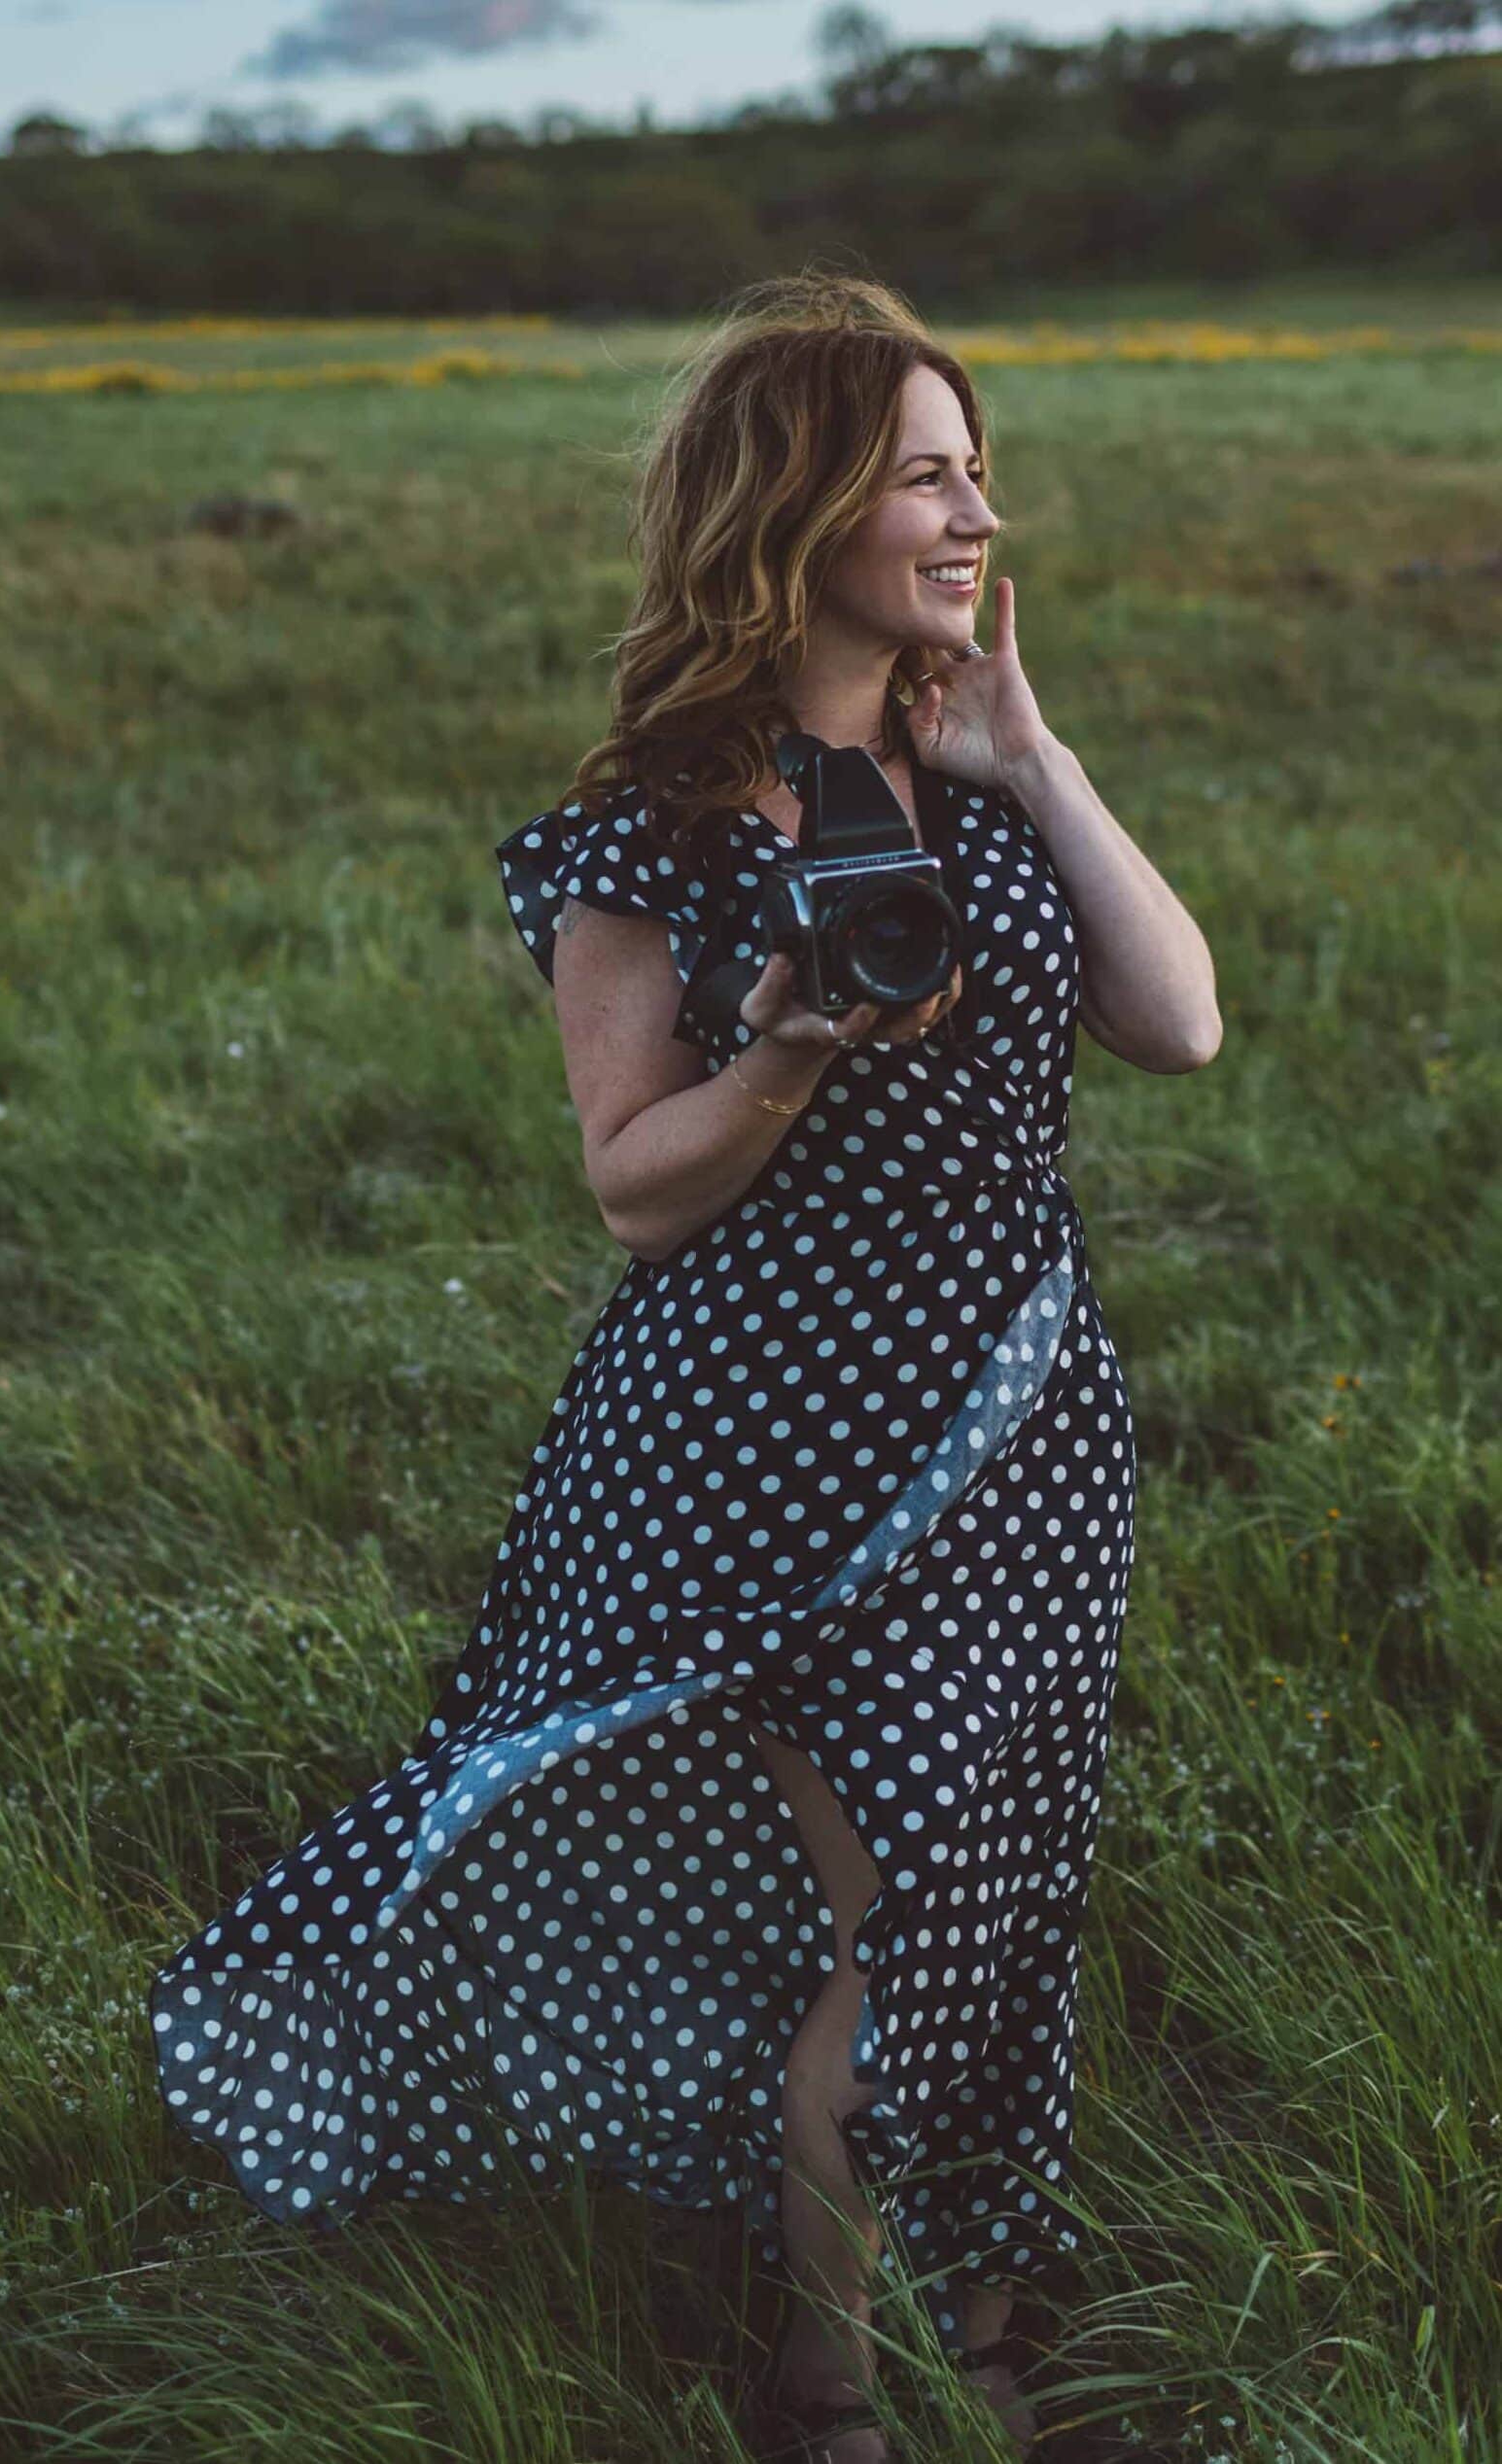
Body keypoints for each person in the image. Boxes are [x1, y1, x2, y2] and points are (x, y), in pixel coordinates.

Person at [148, 269, 1221, 2464]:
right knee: (890, 1908)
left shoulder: (974, 767)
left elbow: (1177, 1021)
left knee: (998, 1886)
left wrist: (1029, 752)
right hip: (764, 1449)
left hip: (1018, 1425)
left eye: (973, 466)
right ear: (799, 501)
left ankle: (962, 2316)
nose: (970, 512)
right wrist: (787, 1051)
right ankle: (851, 2386)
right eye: (925, 472)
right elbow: (633, 1186)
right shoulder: (649, 815)